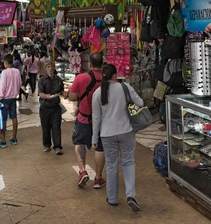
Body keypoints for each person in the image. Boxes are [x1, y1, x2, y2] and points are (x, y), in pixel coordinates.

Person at [92, 63, 144, 212]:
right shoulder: (125, 87)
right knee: (128, 162)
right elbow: (140, 103)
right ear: (115, 75)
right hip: (126, 130)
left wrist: (94, 139)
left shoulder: (98, 93)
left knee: (111, 165)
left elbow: (96, 118)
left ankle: (113, 198)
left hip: (107, 134)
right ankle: (130, 196)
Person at [69, 53, 105, 189]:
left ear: (89, 64)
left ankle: (83, 170)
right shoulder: (107, 79)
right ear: (102, 64)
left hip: (84, 118)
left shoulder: (81, 78)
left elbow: (72, 97)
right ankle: (98, 178)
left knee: (79, 142)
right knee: (100, 147)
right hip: (102, 120)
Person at [38, 61, 64, 154]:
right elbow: (40, 94)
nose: (50, 68)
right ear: (45, 69)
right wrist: (47, 96)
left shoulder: (59, 80)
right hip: (45, 107)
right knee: (46, 127)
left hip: (56, 107)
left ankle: (57, 146)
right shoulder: (42, 80)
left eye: (52, 66)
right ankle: (47, 144)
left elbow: (62, 91)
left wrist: (65, 94)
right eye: (48, 67)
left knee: (56, 127)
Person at [0, 53, 22, 148]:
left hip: (5, 99)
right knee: (14, 117)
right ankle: (14, 138)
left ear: (6, 63)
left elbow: (2, 86)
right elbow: (20, 83)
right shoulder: (17, 71)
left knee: (3, 119)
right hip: (13, 98)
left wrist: (0, 98)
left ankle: (3, 140)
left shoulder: (4, 72)